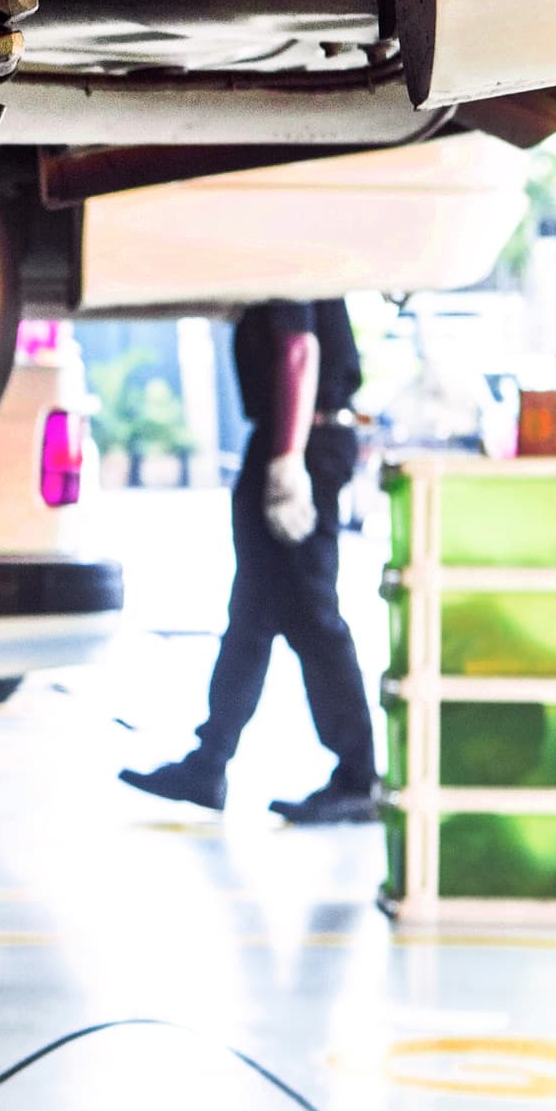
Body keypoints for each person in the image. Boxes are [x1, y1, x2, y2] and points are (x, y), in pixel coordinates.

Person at [121, 299, 378, 825]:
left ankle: (359, 778)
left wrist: (287, 461)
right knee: (253, 613)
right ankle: (209, 762)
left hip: (301, 440)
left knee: (311, 612)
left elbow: (298, 349)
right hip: (295, 434)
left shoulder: (289, 251)